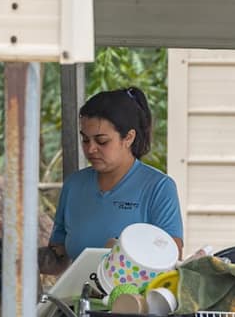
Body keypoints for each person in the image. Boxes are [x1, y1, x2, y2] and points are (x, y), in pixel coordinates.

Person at [42, 86, 183, 273]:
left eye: (102, 141)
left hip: (134, 300)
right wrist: (12, 252)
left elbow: (171, 257)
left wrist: (122, 253)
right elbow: (58, 257)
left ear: (129, 137)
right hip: (80, 300)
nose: (91, 149)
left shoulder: (158, 187)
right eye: (85, 140)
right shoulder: (74, 185)